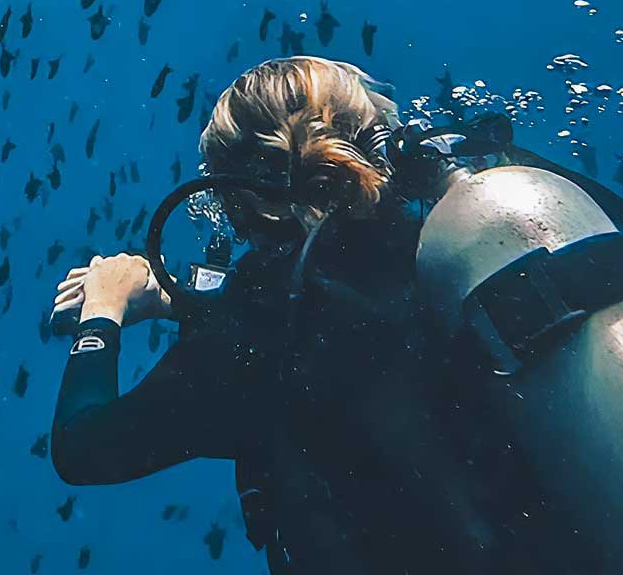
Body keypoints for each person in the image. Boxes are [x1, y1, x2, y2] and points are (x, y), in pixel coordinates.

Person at [49, 56, 588, 573]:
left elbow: (87, 450)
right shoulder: (441, 245)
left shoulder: (263, 323)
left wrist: (103, 310)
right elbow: (357, 328)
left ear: (245, 191)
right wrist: (183, 303)